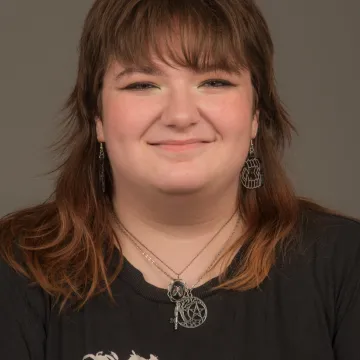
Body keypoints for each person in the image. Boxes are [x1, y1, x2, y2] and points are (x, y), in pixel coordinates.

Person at [0, 0, 359, 359]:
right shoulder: (16, 267)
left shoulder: (345, 263)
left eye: (214, 81)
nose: (180, 115)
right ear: (98, 117)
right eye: (142, 85)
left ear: (255, 113)